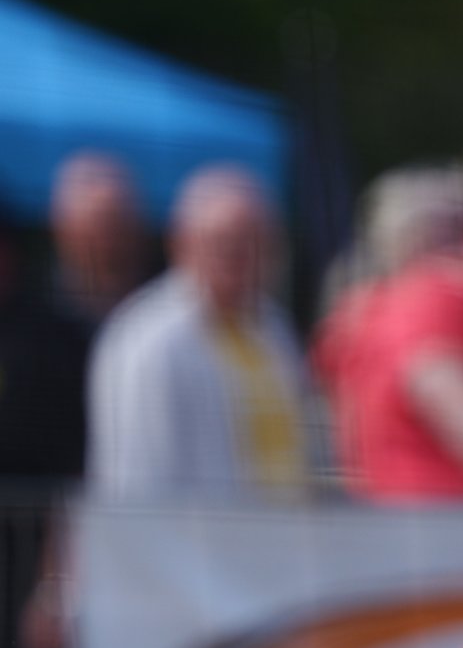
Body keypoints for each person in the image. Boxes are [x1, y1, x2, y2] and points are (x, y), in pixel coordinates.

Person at [87, 164, 311, 503]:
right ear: (181, 242)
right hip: (195, 545)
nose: (239, 258)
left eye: (253, 241)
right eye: (223, 243)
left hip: (276, 543)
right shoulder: (149, 339)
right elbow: (138, 472)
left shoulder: (273, 328)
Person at [315, 166, 463, 500]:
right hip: (456, 514)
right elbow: (442, 385)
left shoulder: (362, 310)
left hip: (391, 509)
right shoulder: (432, 296)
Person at [48, 151, 146, 326]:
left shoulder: (158, 307)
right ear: (62, 228)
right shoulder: (42, 313)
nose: (109, 240)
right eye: (98, 223)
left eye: (119, 221)